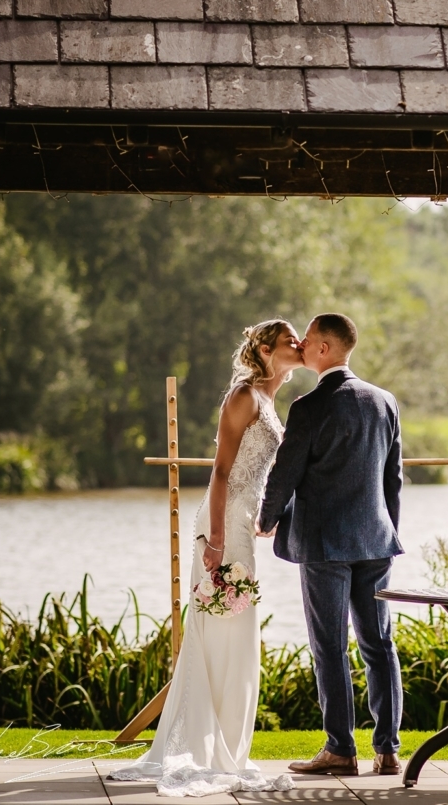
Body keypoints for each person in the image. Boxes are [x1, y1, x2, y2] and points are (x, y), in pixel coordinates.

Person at [108, 321, 302, 796]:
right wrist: (215, 539)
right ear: (264, 349)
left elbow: (260, 472)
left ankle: (226, 748)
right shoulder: (243, 397)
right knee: (224, 630)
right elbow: (221, 470)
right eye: (289, 341)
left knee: (237, 634)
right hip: (222, 525)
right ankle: (209, 750)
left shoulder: (270, 400)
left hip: (242, 524)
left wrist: (267, 515)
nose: (299, 347)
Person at [257, 312, 405, 777]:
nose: (300, 345)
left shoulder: (309, 406)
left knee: (329, 647)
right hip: (376, 541)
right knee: (379, 644)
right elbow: (393, 480)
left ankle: (341, 749)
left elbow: (287, 472)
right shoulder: (385, 402)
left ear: (324, 348)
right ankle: (387, 751)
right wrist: (386, 531)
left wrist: (265, 519)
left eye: (307, 340)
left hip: (324, 545)